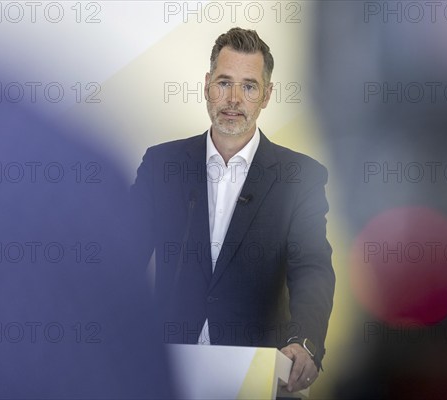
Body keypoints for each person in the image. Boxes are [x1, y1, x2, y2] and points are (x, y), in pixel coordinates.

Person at [131, 27, 335, 393]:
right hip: (167, 370)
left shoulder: (299, 177)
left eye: (249, 86)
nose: (234, 99)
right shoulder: (162, 165)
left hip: (256, 371)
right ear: (207, 85)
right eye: (224, 83)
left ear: (267, 95)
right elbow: (122, 254)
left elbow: (312, 270)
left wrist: (305, 342)